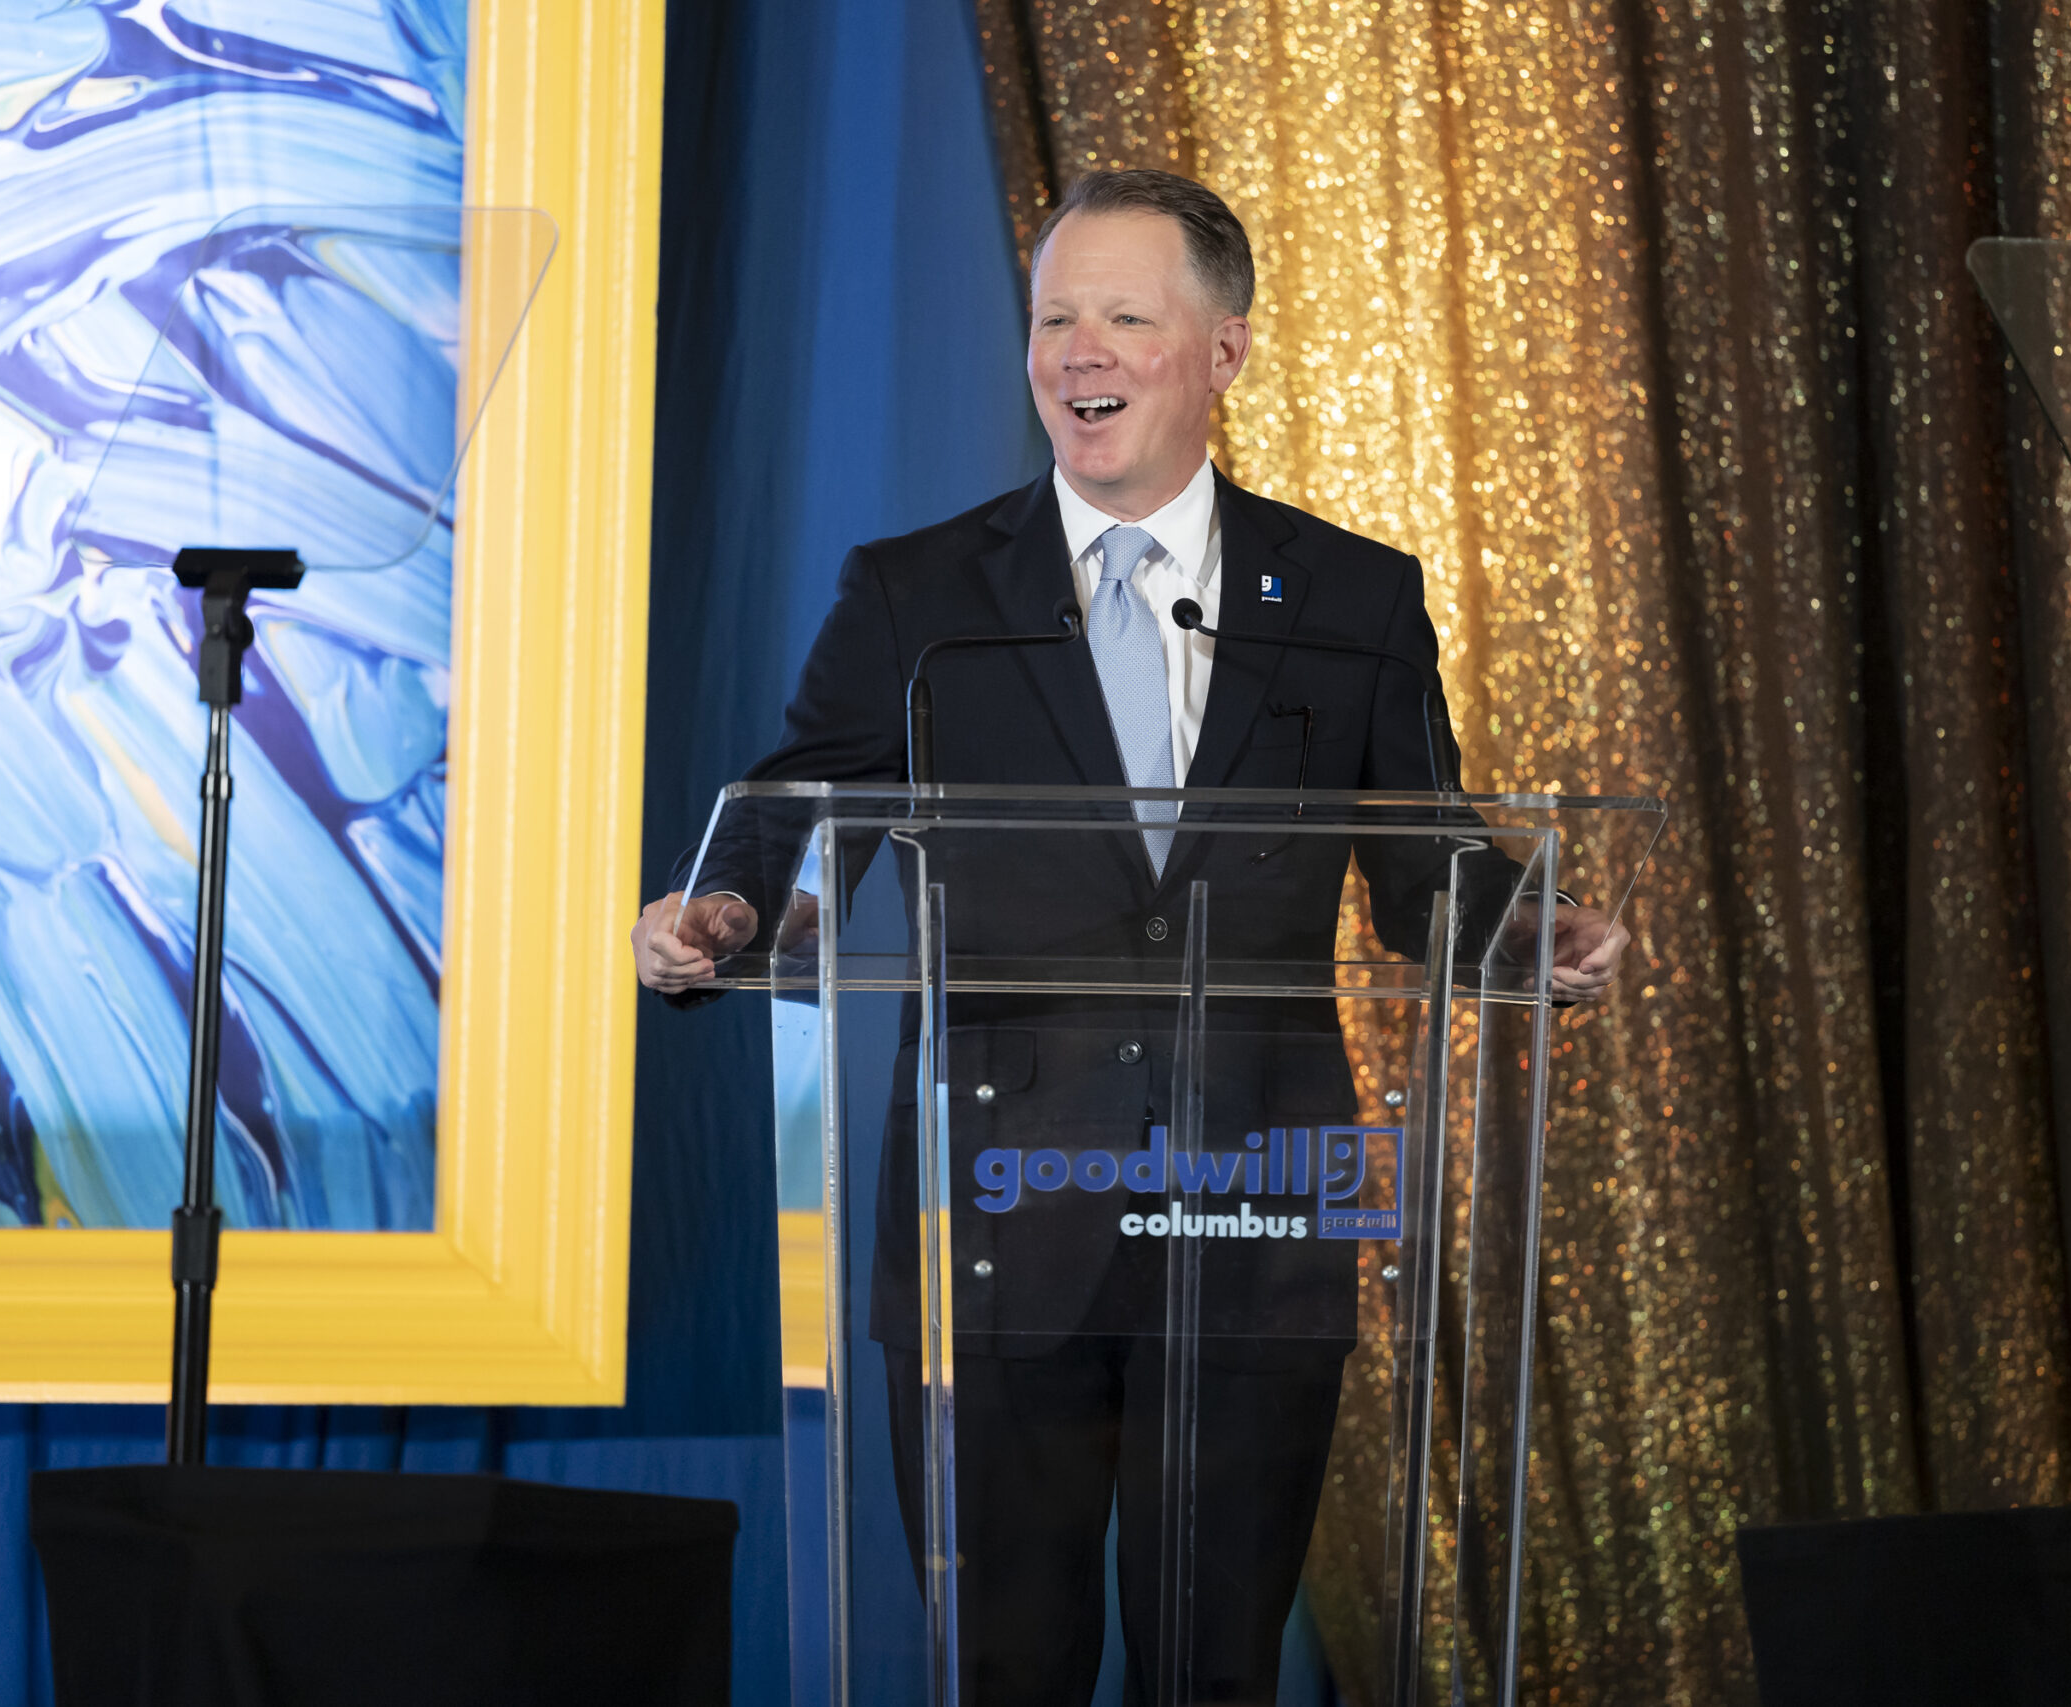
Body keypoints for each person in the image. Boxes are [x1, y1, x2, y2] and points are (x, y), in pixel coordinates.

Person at [633, 169, 1632, 1704]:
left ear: (1224, 351)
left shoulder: (1352, 598)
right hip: (993, 1214)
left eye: (1122, 317)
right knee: (1008, 1670)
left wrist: (1526, 927)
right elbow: (798, 802)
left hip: (1256, 1211)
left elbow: (1424, 858)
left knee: (1214, 1671)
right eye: (1054, 319)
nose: (1077, 352)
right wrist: (726, 910)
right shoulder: (919, 594)